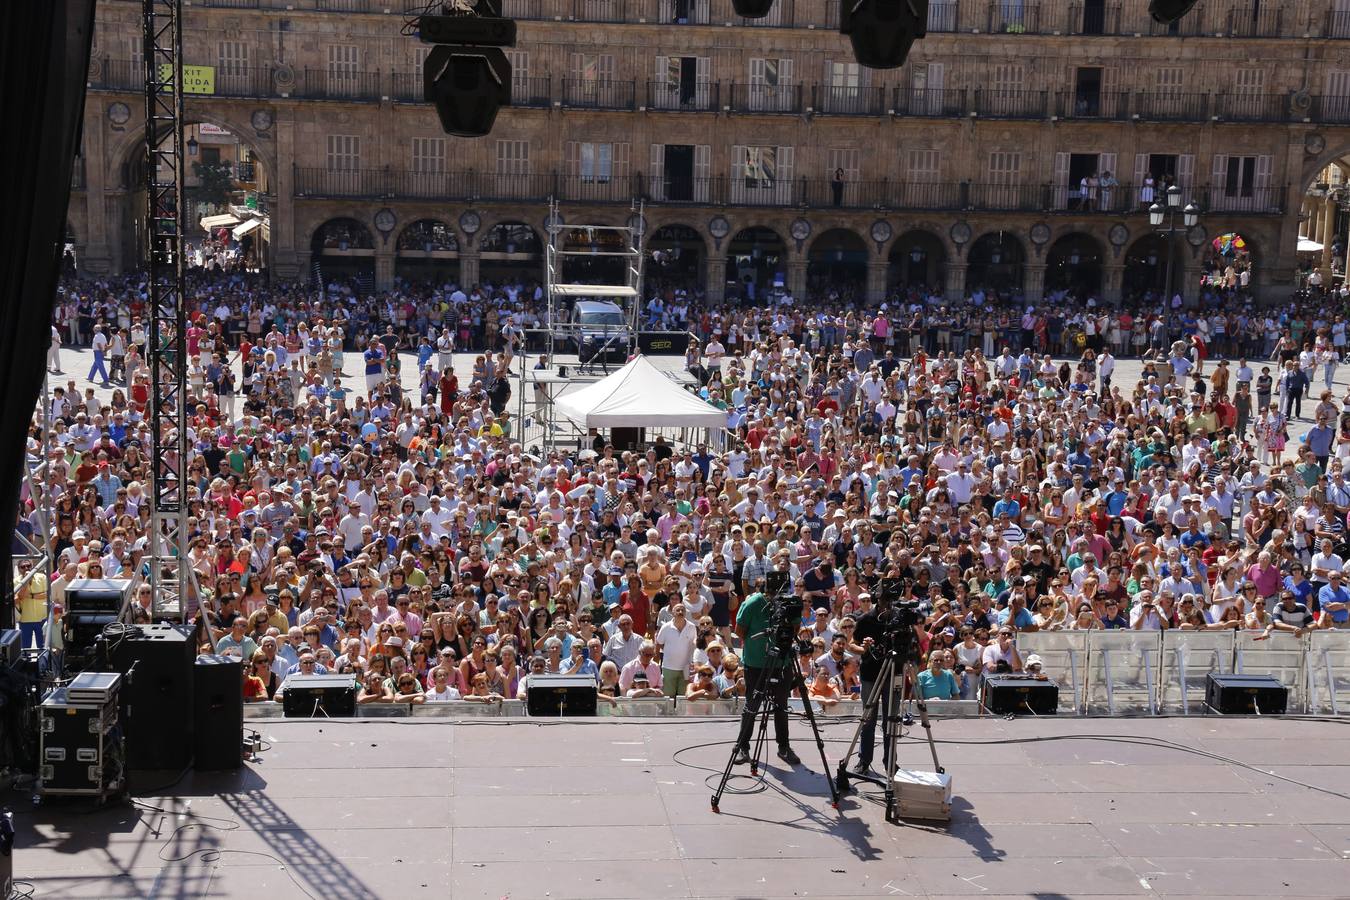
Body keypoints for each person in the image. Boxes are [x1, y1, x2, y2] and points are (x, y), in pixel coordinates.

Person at [732, 581, 799, 766]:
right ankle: (743, 748)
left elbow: (794, 630)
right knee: (752, 705)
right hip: (755, 664)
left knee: (781, 706)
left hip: (781, 663)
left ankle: (784, 747)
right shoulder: (752, 603)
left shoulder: (789, 604)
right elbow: (739, 631)